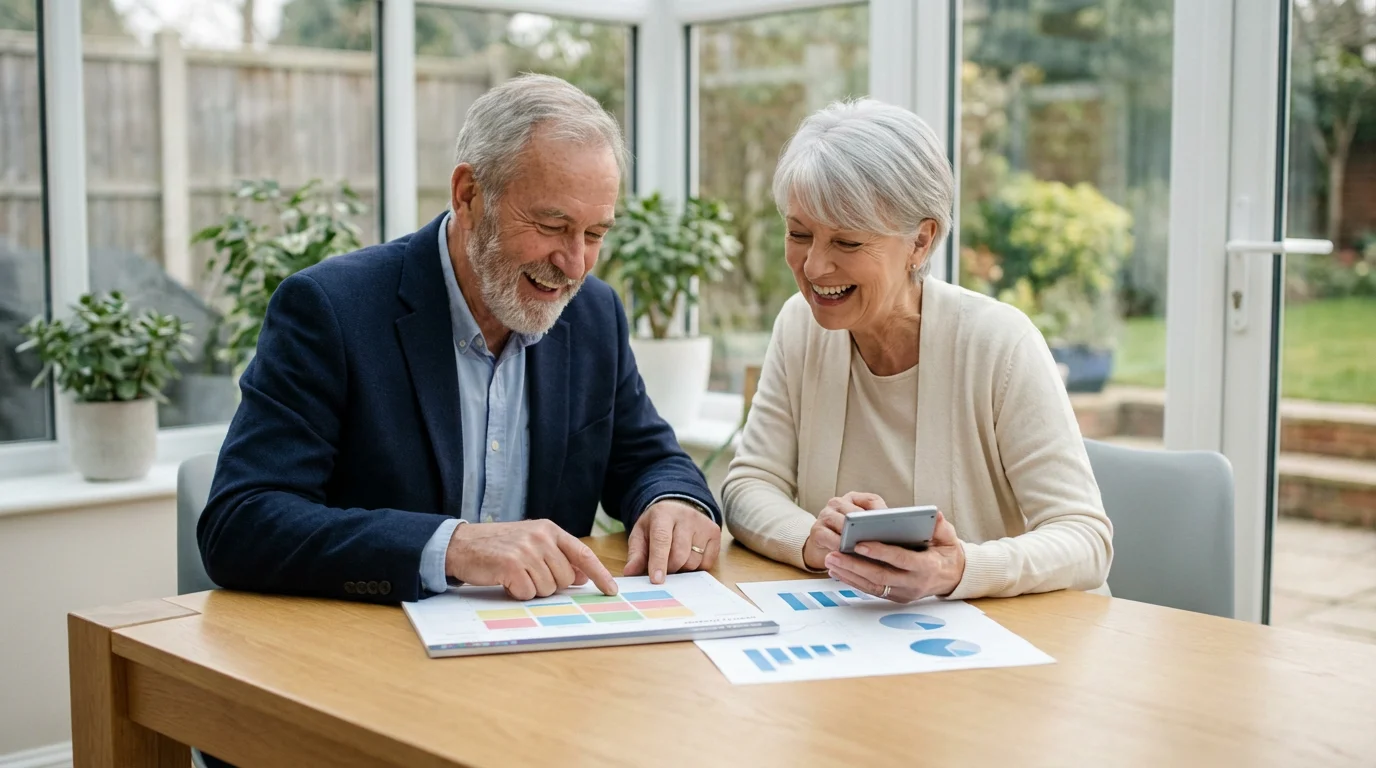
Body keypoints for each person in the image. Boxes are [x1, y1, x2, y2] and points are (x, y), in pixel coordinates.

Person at [199, 74, 723, 608]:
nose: (573, 263)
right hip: (374, 652)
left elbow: (647, 457)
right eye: (550, 225)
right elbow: (241, 522)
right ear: (469, 195)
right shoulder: (331, 309)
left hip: (543, 652)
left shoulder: (593, 314)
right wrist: (450, 546)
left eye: (595, 235)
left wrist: (674, 502)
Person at [722, 99, 1112, 603]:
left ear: (920, 242)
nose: (815, 267)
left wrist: (960, 568)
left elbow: (1086, 539)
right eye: (799, 234)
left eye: (847, 243)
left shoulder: (1001, 343)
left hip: (1004, 647)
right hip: (860, 639)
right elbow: (749, 485)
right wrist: (811, 539)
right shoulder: (800, 326)